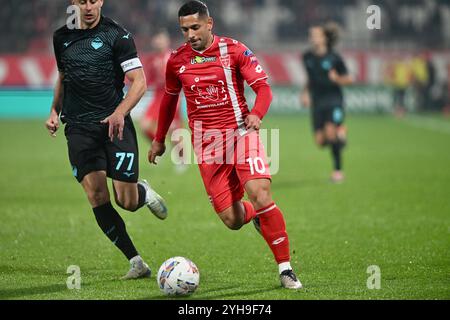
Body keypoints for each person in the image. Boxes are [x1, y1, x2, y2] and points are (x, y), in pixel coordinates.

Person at [149, 0, 302, 289]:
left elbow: (263, 88)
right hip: (207, 147)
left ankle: (285, 268)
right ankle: (258, 215)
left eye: (195, 27)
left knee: (259, 192)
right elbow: (169, 100)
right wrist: (159, 139)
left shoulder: (234, 50)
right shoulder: (176, 61)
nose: (190, 34)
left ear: (209, 23)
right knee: (232, 220)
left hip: (241, 133)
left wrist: (256, 113)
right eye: (184, 29)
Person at [45, 0, 168, 280]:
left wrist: (119, 113)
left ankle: (143, 192)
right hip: (78, 128)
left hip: (116, 126)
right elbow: (64, 77)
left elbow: (139, 82)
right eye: (82, 0)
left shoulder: (118, 35)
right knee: (96, 195)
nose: (88, 6)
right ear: (73, 3)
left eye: (93, 0)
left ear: (100, 1)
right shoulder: (61, 37)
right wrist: (54, 110)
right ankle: (136, 261)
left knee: (125, 200)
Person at [301, 22, 353, 183]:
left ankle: (338, 171)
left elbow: (349, 79)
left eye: (316, 35)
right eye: (311, 35)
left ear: (324, 38)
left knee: (331, 132)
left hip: (333, 100)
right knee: (321, 142)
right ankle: (341, 135)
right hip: (317, 101)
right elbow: (310, 79)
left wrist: (337, 78)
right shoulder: (307, 57)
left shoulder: (334, 58)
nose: (313, 38)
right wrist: (305, 93)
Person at [140, 29, 186, 173]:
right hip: (158, 95)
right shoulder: (153, 59)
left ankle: (182, 159)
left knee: (173, 131)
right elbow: (150, 79)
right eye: (156, 39)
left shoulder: (174, 56)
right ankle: (159, 146)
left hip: (173, 95)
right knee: (145, 125)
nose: (158, 42)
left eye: (160, 39)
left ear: (166, 41)